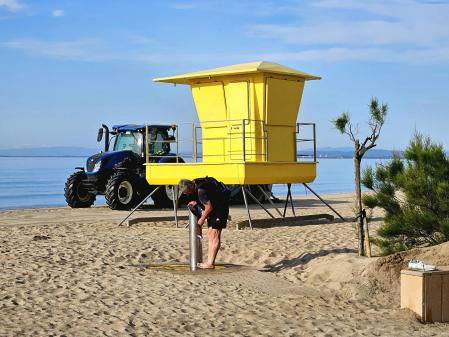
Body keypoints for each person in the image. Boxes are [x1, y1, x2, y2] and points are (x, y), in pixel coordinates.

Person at [178, 177, 230, 269]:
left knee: (214, 235)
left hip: (219, 209)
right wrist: (197, 202)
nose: (188, 194)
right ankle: (209, 262)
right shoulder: (196, 184)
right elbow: (208, 197)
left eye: (187, 192)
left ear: (190, 186)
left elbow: (208, 207)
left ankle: (210, 263)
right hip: (215, 208)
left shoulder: (200, 190)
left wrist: (201, 220)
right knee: (210, 234)